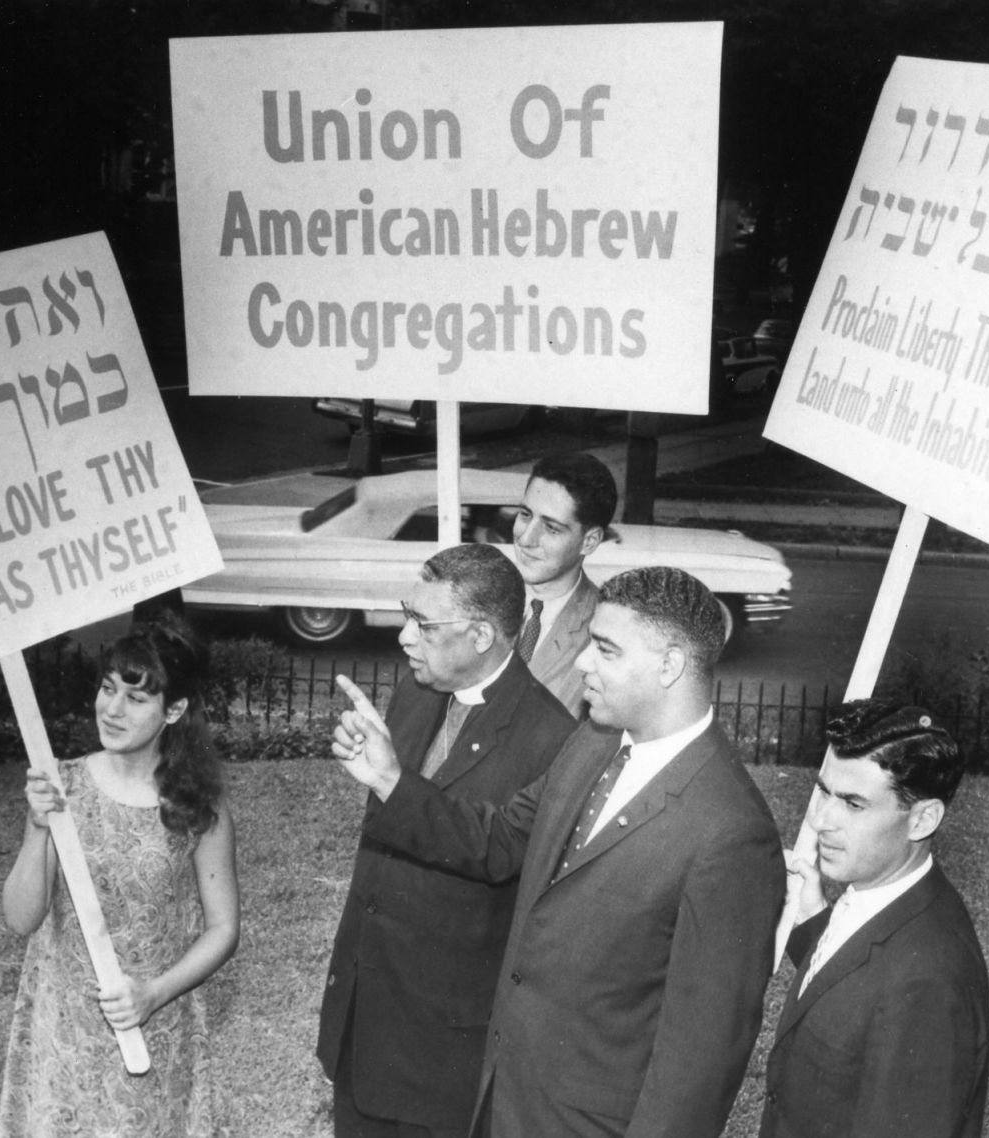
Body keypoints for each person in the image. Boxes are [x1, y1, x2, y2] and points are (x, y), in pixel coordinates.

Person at [333, 566, 784, 1138]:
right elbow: (499, 840)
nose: (582, 663)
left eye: (606, 649)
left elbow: (701, 1059)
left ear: (670, 665)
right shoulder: (593, 741)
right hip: (502, 1098)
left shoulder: (733, 833)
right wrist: (389, 780)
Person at [318, 543, 577, 1138]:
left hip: (440, 1050)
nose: (405, 637)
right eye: (407, 614)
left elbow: (496, 850)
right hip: (364, 1019)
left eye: (424, 624)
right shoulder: (416, 690)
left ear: (481, 635)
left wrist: (390, 781)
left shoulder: (552, 739)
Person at [0, 615, 240, 1137]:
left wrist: (153, 993)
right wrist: (38, 829)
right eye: (108, 689)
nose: (112, 709)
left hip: (155, 1030)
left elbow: (223, 929)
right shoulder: (62, 786)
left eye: (135, 697)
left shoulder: (198, 805)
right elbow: (20, 918)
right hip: (65, 1035)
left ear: (173, 710)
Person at [760, 699, 989, 1138]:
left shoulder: (928, 984)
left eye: (853, 804)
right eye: (823, 792)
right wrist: (813, 923)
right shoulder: (889, 898)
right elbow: (857, 992)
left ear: (922, 819)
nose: (819, 820)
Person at [509, 451, 618, 714]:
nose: (526, 538)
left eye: (551, 528)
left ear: (589, 541)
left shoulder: (605, 634)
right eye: (525, 515)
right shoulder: (477, 599)